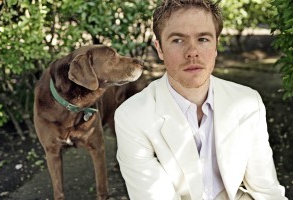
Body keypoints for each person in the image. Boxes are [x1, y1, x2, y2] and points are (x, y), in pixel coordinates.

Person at [114, 0, 287, 199]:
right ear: (159, 49)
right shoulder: (132, 116)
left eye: (203, 39)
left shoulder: (247, 102)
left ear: (216, 46)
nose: (192, 52)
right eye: (178, 40)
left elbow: (267, 191)